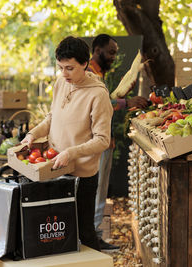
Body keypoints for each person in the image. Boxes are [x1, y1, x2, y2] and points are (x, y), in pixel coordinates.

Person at [21, 36, 113, 251]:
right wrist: (32, 134)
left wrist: (71, 153)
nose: (64, 74)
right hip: (53, 167)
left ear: (85, 63)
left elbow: (102, 140)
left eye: (70, 68)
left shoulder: (98, 95)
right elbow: (52, 118)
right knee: (59, 234)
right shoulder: (61, 82)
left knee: (84, 234)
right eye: (61, 68)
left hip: (82, 176)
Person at [88, 34, 148, 251]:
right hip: (94, 142)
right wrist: (125, 101)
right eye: (111, 52)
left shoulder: (97, 74)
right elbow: (101, 105)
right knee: (98, 189)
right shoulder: (90, 74)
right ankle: (94, 237)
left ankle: (93, 235)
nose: (114, 57)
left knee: (98, 189)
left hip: (99, 140)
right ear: (97, 50)